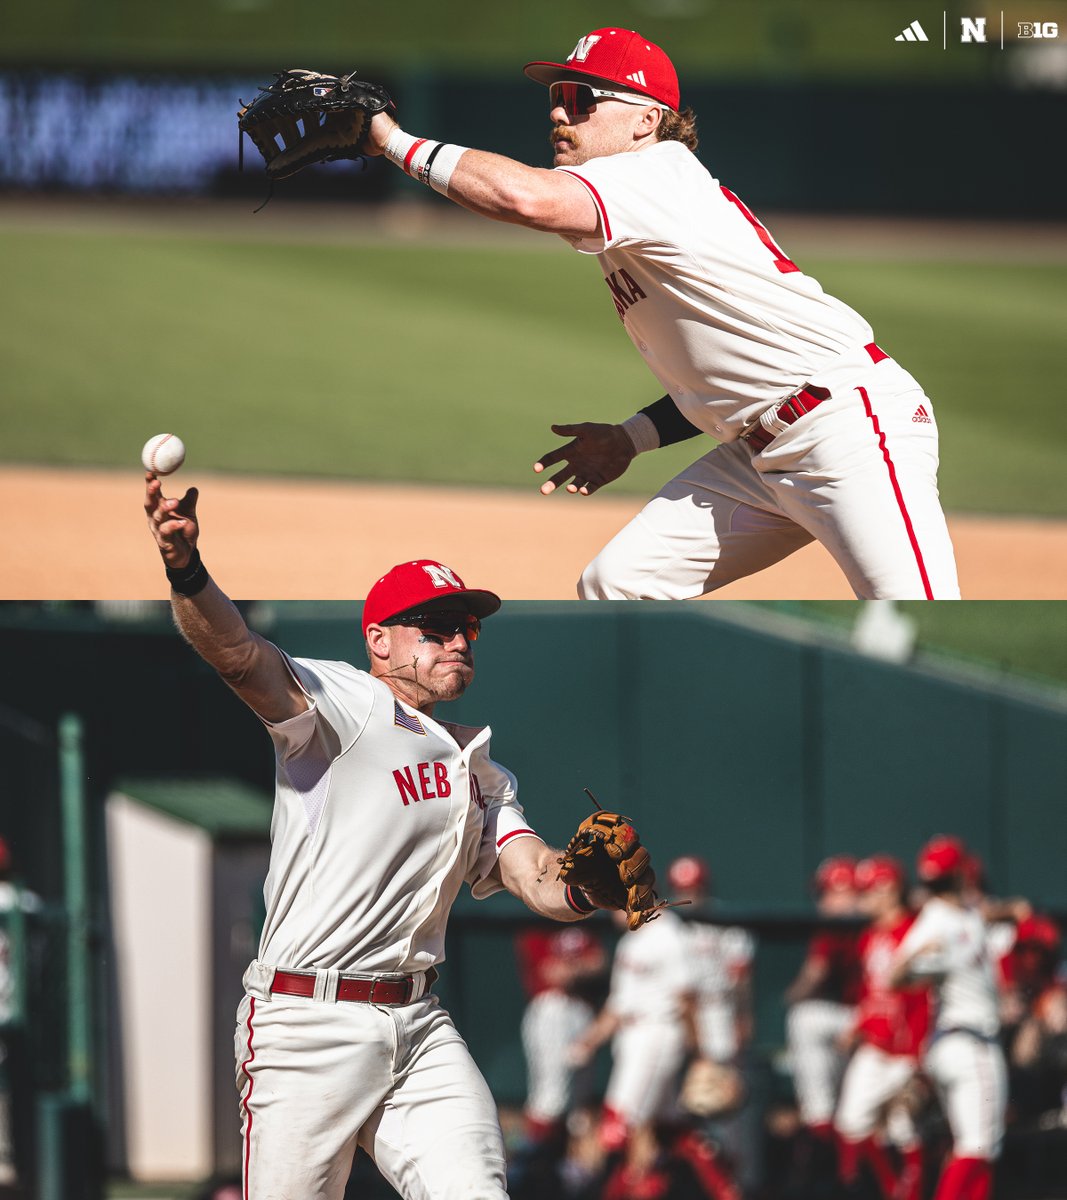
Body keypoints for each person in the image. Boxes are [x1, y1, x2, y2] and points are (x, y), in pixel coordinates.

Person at [142, 471, 635, 1200]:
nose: (458, 640)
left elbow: (537, 879)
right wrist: (186, 570)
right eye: (433, 628)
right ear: (378, 638)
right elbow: (238, 654)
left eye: (466, 627)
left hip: (418, 1028)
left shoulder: (479, 767)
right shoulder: (344, 704)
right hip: (308, 1023)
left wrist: (583, 882)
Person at [364, 27, 960, 600]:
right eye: (556, 97)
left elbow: (524, 197)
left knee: (914, 604)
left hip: (846, 426)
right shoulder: (640, 192)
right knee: (618, 584)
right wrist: (632, 437)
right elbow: (721, 369)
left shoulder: (655, 172)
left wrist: (390, 139)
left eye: (580, 98)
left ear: (648, 120)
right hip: (761, 453)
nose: (558, 114)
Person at [890, 836, 1009, 1200]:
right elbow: (895, 977)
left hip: (951, 1043)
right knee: (978, 1147)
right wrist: (916, 960)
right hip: (970, 1042)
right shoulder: (936, 921)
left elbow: (983, 915)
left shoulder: (963, 914)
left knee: (976, 1148)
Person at [834, 855, 929, 1200]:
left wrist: (919, 1055)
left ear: (890, 889)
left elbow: (924, 998)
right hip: (875, 1045)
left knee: (905, 1127)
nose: (864, 898)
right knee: (852, 1121)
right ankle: (890, 1188)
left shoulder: (915, 932)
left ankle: (909, 1191)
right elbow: (870, 992)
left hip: (906, 1048)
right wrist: (856, 1024)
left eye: (869, 890)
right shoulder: (870, 936)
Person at [782, 855, 863, 1191]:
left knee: (803, 1017)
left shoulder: (840, 924)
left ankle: (818, 1121)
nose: (822, 901)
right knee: (852, 1109)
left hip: (871, 1019)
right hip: (867, 1021)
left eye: (827, 893)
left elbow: (815, 974)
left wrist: (789, 996)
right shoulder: (873, 917)